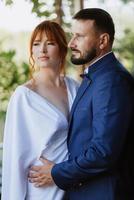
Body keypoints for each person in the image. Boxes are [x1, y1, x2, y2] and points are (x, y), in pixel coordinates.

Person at [28, 8, 134, 200]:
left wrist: (56, 172)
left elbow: (103, 152)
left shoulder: (111, 80)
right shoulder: (94, 77)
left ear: (103, 41)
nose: (71, 43)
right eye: (72, 36)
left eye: (79, 36)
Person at [1, 20, 79, 200]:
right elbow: (15, 156)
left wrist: (62, 173)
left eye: (50, 43)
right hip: (42, 188)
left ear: (61, 49)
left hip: (73, 184)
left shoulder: (75, 87)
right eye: (36, 44)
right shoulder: (24, 96)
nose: (42, 50)